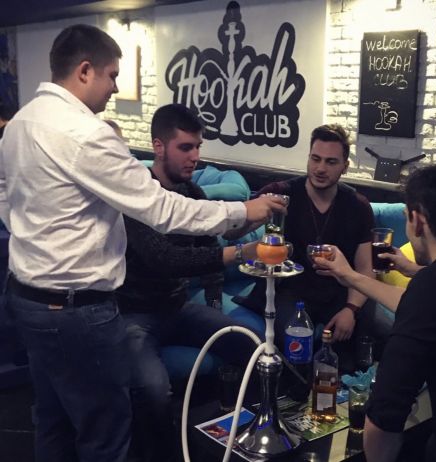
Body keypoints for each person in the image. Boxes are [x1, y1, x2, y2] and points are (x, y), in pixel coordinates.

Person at [0, 24, 284, 462]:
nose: (115, 87)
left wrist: (33, 232)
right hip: (78, 309)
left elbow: (4, 191)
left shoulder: (20, 123)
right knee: (105, 432)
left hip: (26, 298)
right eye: (112, 75)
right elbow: (161, 209)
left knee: (54, 422)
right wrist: (243, 211)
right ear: (84, 70)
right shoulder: (87, 133)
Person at [315, 161, 436, 462]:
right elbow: (426, 302)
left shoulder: (432, 288)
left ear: (417, 221)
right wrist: (350, 276)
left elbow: (384, 418)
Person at [117, 104, 261, 462]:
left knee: (251, 346)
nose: (195, 156)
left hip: (177, 307)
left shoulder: (191, 192)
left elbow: (207, 251)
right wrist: (240, 253)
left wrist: (249, 223)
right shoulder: (135, 194)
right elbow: (166, 259)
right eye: (185, 147)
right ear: (158, 147)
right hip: (133, 315)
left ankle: (245, 439)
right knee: (153, 389)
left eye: (197, 147)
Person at [253, 124, 375, 371]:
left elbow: (365, 269)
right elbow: (235, 228)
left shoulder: (358, 206)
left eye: (331, 162)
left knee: (380, 335)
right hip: (290, 290)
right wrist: (250, 214)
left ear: (345, 166)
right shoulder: (281, 194)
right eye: (315, 159)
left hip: (340, 292)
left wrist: (351, 309)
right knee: (296, 346)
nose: (320, 168)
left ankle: (351, 386)